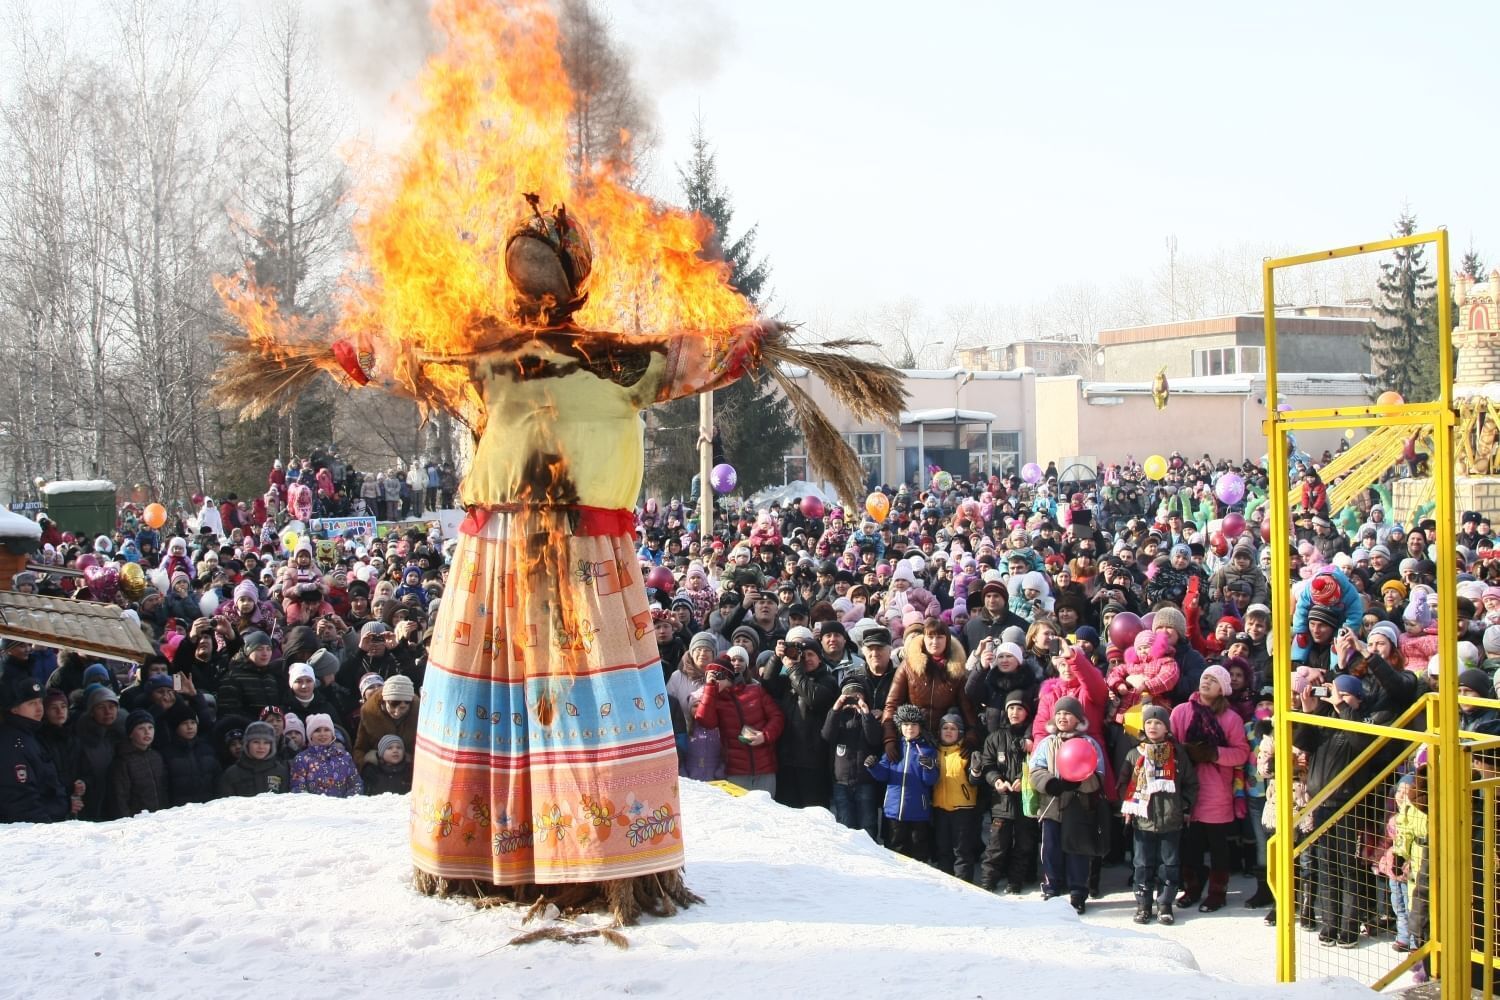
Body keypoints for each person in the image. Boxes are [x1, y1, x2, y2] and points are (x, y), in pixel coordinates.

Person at [1169, 663, 1251, 912]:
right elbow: (1171, 744)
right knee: (1190, 844)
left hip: (1217, 789)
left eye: (1213, 680)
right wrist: (1185, 754)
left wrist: (1214, 754)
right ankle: (1192, 887)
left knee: (1218, 846)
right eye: (1204, 677)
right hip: (1188, 789)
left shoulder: (1231, 718)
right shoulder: (1181, 711)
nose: (1206, 682)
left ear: (1223, 689)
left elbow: (1241, 753)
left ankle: (1218, 892)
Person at [1119, 704, 1198, 925]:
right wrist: (1128, 807)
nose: (1153, 726)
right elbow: (1123, 784)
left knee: (1169, 864)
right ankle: (1143, 905)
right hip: (1142, 820)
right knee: (1142, 864)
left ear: (1166, 728)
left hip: (1171, 821)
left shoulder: (1177, 754)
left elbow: (1191, 783)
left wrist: (1183, 806)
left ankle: (1165, 904)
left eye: (1158, 722)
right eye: (1149, 722)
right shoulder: (1134, 754)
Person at [1029, 695, 1107, 914]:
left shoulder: (1089, 743)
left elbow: (1099, 774)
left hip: (1078, 807)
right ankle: (1051, 887)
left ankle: (1078, 892)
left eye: (1068, 713)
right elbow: (1035, 771)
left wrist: (1079, 782)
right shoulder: (1047, 743)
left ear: (1078, 718)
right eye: (1059, 713)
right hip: (1051, 806)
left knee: (1078, 851)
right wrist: (1051, 784)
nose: (1063, 717)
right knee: (1050, 849)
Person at [694, 652, 783, 795]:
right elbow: (705, 721)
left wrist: (764, 736)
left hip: (765, 768)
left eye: (718, 676)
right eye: (709, 676)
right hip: (736, 772)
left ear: (728, 676)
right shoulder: (714, 701)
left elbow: (777, 717)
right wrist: (710, 688)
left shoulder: (755, 690)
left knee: (768, 813)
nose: (714, 680)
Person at [977, 690, 1039, 894]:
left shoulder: (1033, 740)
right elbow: (987, 764)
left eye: (1019, 708)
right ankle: (988, 881)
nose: (1015, 712)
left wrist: (1024, 779)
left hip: (1025, 801)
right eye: (1011, 708)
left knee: (1023, 845)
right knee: (996, 845)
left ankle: (1015, 882)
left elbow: (1037, 764)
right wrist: (996, 780)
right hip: (1001, 801)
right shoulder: (995, 737)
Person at [0, 675, 81, 823]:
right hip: (34, 831)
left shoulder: (30, 735)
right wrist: (46, 828)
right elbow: (21, 799)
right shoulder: (14, 742)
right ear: (14, 709)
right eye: (31, 703)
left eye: (40, 702)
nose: (39, 708)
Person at [865, 703, 938, 861]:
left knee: (918, 852)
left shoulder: (928, 750)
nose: (909, 728)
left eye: (913, 725)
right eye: (905, 724)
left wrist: (929, 768)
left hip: (918, 812)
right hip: (894, 811)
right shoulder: (894, 748)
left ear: (920, 727)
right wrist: (873, 766)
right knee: (895, 851)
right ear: (900, 726)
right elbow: (883, 775)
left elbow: (930, 781)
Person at [821, 676, 883, 841]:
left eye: (857, 696)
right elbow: (827, 735)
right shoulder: (838, 717)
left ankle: (872, 855)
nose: (853, 699)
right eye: (849, 696)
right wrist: (837, 708)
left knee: (868, 823)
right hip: (841, 781)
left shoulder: (869, 717)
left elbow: (874, 739)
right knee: (845, 823)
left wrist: (866, 712)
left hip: (865, 781)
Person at [929, 710, 981, 882]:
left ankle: (964, 885)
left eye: (953, 728)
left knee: (962, 850)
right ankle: (945, 883)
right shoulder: (934, 752)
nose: (949, 731)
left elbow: (974, 781)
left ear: (960, 732)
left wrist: (976, 770)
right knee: (943, 848)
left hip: (963, 808)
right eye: (945, 728)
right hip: (940, 806)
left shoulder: (965, 753)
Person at [109, 710, 170, 818]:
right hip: (137, 821)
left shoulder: (156, 756)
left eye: (150, 728)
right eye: (141, 728)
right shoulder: (123, 761)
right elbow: (120, 798)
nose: (147, 732)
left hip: (160, 819)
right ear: (131, 733)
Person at [291, 713, 364, 797]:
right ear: (310, 735)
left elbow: (356, 784)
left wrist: (346, 804)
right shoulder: (301, 759)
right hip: (312, 808)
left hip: (342, 808)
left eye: (326, 730)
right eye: (317, 730)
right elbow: (298, 789)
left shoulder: (345, 757)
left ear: (332, 734)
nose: (322, 734)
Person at [218, 721, 290, 797]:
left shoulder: (281, 771)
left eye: (266, 742)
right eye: (256, 742)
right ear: (247, 744)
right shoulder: (231, 774)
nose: (261, 747)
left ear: (271, 746)